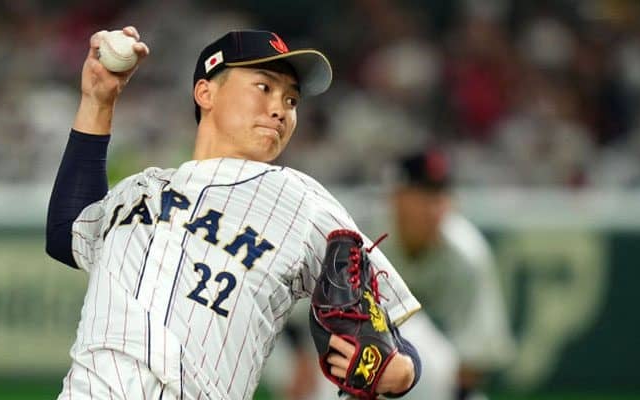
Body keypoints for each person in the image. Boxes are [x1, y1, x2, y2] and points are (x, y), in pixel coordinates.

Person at [45, 26, 423, 399]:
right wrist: (98, 102)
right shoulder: (139, 189)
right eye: (264, 87)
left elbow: (393, 330)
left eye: (291, 100)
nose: (280, 109)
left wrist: (402, 372)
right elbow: (67, 234)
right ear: (205, 92)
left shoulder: (301, 201)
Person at [380, 149, 515, 400]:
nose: (434, 209)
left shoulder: (467, 253)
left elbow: (477, 353)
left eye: (441, 197)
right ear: (396, 198)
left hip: (436, 381)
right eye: (424, 196)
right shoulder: (362, 236)